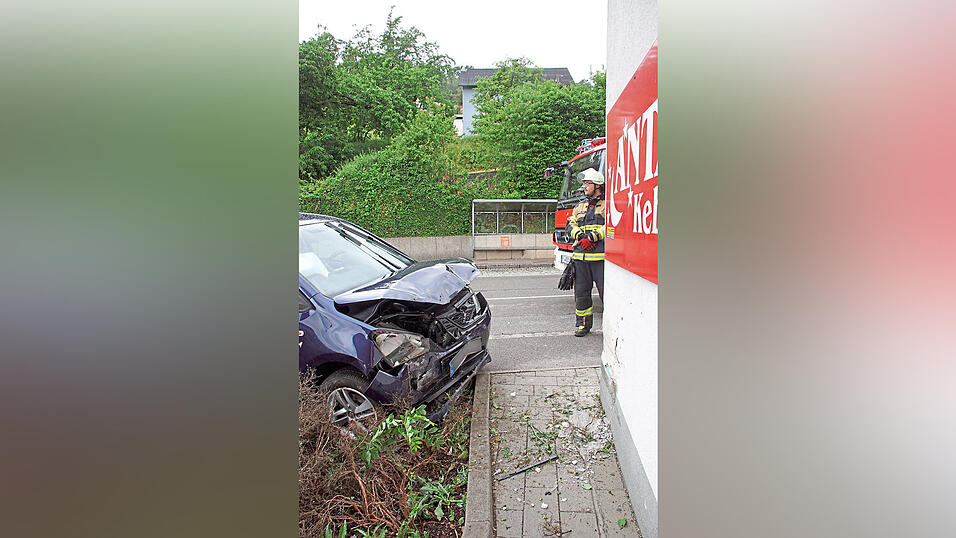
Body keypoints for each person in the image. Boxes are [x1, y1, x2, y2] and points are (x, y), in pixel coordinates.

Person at [565, 168, 606, 337]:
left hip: (600, 259)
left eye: (587, 183)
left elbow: (612, 226)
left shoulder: (608, 204)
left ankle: (612, 327)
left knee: (607, 294)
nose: (584, 186)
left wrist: (593, 237)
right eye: (584, 183)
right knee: (581, 293)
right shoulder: (579, 206)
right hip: (580, 259)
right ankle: (583, 325)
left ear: (597, 185)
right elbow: (570, 225)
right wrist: (581, 236)